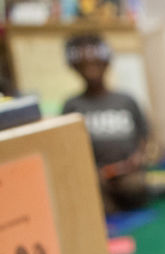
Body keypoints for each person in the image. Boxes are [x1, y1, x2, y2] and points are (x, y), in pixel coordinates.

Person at [63, 34, 152, 215]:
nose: (91, 68)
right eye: (84, 64)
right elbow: (68, 150)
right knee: (95, 199)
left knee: (135, 187)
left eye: (95, 61)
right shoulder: (72, 106)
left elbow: (146, 137)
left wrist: (139, 158)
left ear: (107, 62)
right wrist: (90, 172)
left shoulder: (126, 100)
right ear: (74, 66)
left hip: (129, 174)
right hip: (95, 179)